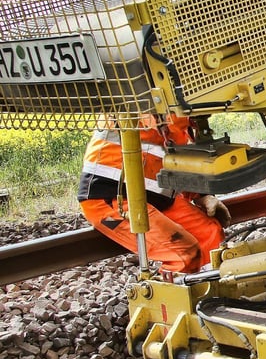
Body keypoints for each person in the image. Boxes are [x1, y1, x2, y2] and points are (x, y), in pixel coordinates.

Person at [78, 114, 230, 274]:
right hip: (110, 197)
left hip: (157, 197)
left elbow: (173, 160)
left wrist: (202, 195)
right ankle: (174, 297)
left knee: (209, 233)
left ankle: (216, 291)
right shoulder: (142, 103)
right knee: (182, 254)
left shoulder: (179, 119)